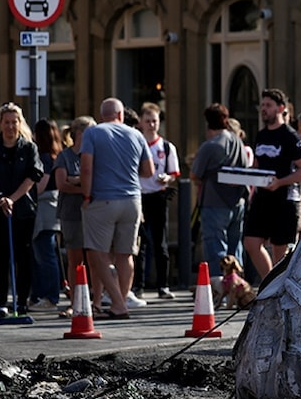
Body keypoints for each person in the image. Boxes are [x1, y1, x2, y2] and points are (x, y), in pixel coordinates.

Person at [80, 98, 155, 318]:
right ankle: (120, 302)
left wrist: (86, 196)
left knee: (97, 254)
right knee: (126, 255)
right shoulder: (136, 134)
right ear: (121, 115)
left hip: (102, 199)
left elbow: (86, 168)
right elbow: (149, 171)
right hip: (132, 200)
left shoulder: (93, 133)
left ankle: (118, 304)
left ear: (102, 114)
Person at [0, 103, 44, 322]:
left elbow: (33, 176)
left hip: (22, 211)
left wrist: (12, 199)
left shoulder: (28, 148)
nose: (10, 126)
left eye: (14, 122)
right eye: (6, 122)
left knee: (23, 258)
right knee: (0, 258)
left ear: (19, 123)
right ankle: (2, 303)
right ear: (0, 123)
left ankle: (22, 303)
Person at [243, 89, 301, 279]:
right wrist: (241, 178)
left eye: (268, 105)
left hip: (284, 199)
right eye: (262, 105)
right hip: (262, 198)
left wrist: (280, 182)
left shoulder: (290, 136)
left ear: (280, 108)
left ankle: (278, 290)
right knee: (251, 242)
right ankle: (269, 286)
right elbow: (256, 166)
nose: (264, 109)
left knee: (279, 251)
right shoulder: (261, 135)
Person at [191, 103, 249, 277]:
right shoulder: (237, 141)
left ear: (208, 122)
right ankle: (236, 285)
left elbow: (195, 174)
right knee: (235, 246)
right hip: (237, 202)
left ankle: (219, 286)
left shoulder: (210, 146)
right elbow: (245, 168)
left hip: (213, 202)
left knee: (215, 246)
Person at [54, 116, 102, 316]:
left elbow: (99, 182)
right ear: (80, 134)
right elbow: (62, 184)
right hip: (71, 213)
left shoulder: (97, 155)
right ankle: (75, 303)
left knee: (96, 258)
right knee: (75, 260)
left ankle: (97, 302)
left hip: (94, 212)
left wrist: (78, 182)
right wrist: (85, 187)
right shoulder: (65, 156)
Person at [134, 102, 180, 300]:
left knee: (160, 243)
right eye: (148, 121)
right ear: (141, 123)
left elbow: (174, 173)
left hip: (158, 195)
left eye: (154, 121)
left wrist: (167, 179)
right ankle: (138, 285)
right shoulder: (136, 143)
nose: (151, 125)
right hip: (140, 196)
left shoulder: (167, 147)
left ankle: (163, 285)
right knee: (140, 243)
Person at [28, 118, 63, 313]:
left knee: (45, 253)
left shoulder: (46, 159)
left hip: (45, 210)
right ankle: (42, 294)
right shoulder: (55, 156)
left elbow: (40, 187)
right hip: (50, 208)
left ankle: (50, 296)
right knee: (44, 253)